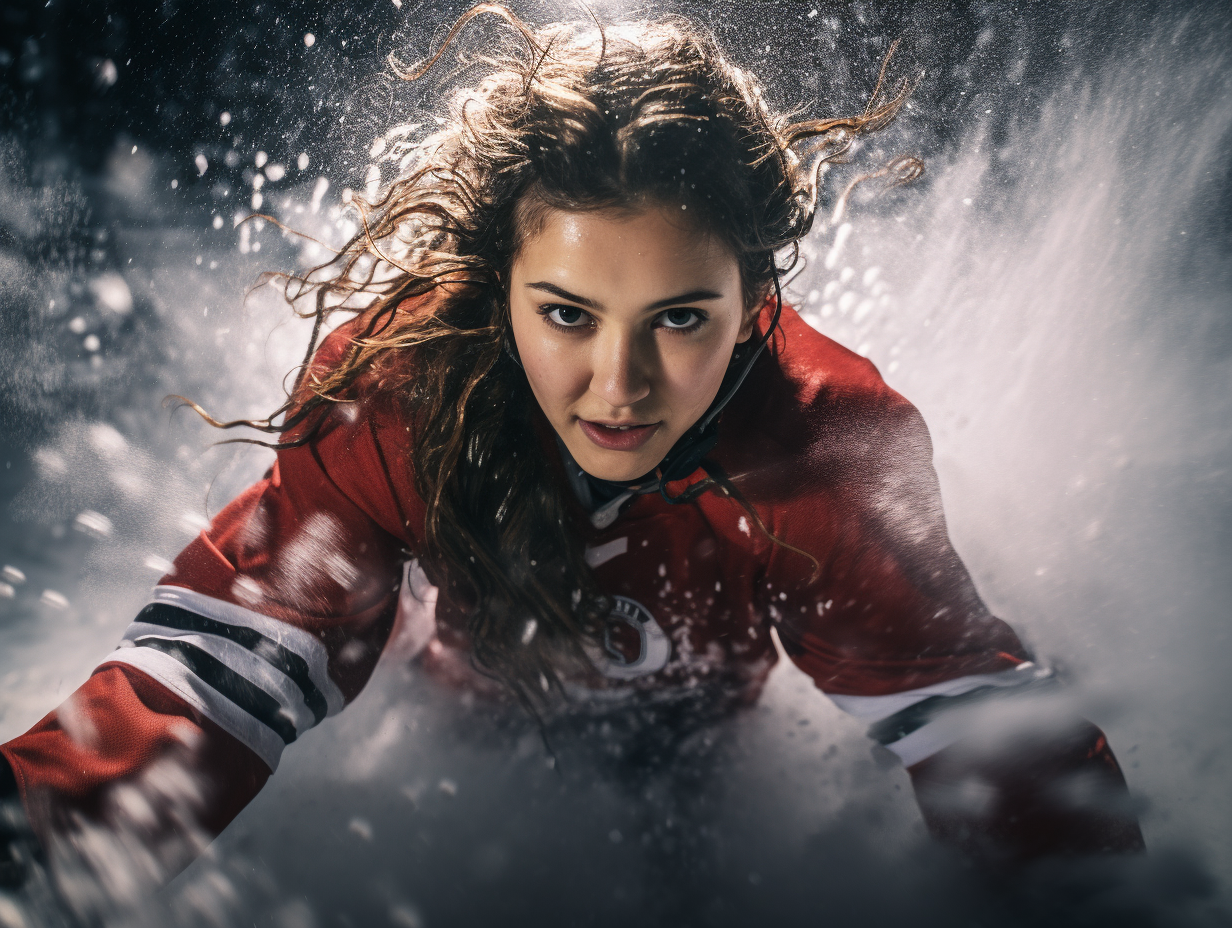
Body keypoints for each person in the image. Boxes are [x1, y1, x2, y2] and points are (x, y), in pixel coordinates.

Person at [0, 3, 1143, 902]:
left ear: (753, 302)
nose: (618, 385)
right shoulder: (393, 388)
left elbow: (983, 740)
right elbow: (223, 669)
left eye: (678, 318)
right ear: (495, 290)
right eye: (565, 314)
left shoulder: (825, 454)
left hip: (709, 784)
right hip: (449, 736)